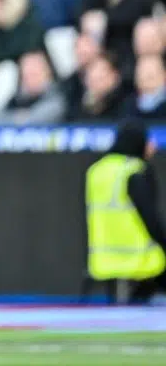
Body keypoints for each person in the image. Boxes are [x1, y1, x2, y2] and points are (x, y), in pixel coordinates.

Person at [86, 120, 166, 301]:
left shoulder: (97, 170)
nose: (152, 146)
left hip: (102, 260)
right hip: (140, 260)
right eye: (148, 140)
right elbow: (150, 219)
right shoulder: (134, 170)